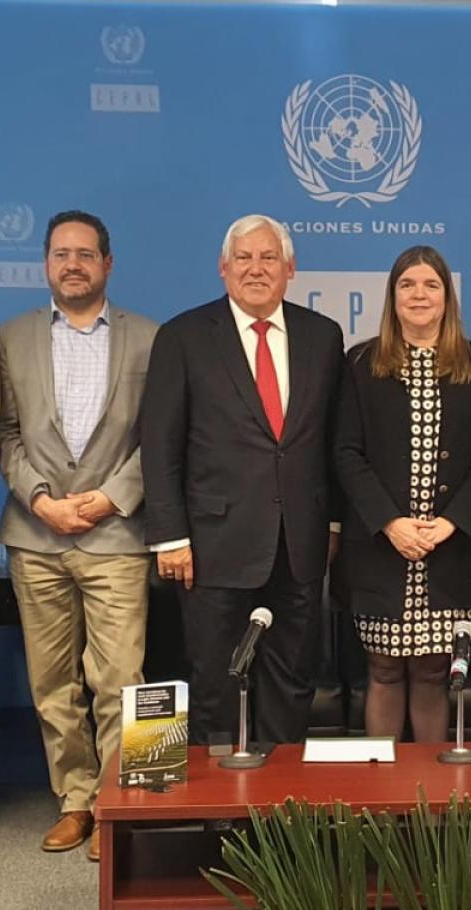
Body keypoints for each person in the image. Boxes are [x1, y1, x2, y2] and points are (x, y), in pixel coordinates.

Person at [0, 210, 157, 861]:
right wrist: (38, 498)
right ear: (45, 264)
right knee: (52, 681)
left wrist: (112, 497)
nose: (73, 265)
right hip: (37, 534)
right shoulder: (11, 339)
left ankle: (125, 803)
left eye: (85, 254)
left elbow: (160, 437)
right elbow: (1, 431)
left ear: (107, 264)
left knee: (123, 677)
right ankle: (77, 799)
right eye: (61, 254)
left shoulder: (149, 338)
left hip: (117, 531)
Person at [139, 214, 344, 747]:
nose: (256, 269)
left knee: (291, 681)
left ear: (290, 268)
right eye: (244, 259)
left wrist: (336, 522)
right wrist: (170, 536)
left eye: (268, 258)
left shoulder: (322, 336)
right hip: (213, 546)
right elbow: (160, 443)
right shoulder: (183, 336)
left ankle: (282, 814)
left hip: (298, 546)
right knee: (216, 682)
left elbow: (333, 439)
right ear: (223, 269)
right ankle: (221, 818)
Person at [332, 246, 471, 741]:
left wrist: (451, 523)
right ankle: (383, 804)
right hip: (382, 550)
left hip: (448, 551)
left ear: (447, 298)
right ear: (392, 296)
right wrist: (391, 522)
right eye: (407, 285)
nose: (419, 294)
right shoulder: (361, 363)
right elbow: (345, 452)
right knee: (384, 672)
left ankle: (432, 806)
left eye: (431, 285)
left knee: (433, 675)